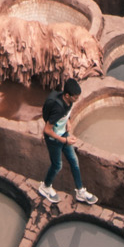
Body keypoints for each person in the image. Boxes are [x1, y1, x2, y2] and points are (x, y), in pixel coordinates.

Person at [39, 78, 95, 207]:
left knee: (74, 161)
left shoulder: (68, 102)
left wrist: (68, 122)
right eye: (75, 97)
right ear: (67, 95)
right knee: (57, 165)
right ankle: (45, 187)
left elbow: (66, 113)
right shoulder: (58, 108)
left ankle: (80, 191)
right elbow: (47, 130)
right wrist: (65, 140)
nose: (77, 99)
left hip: (63, 134)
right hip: (54, 139)